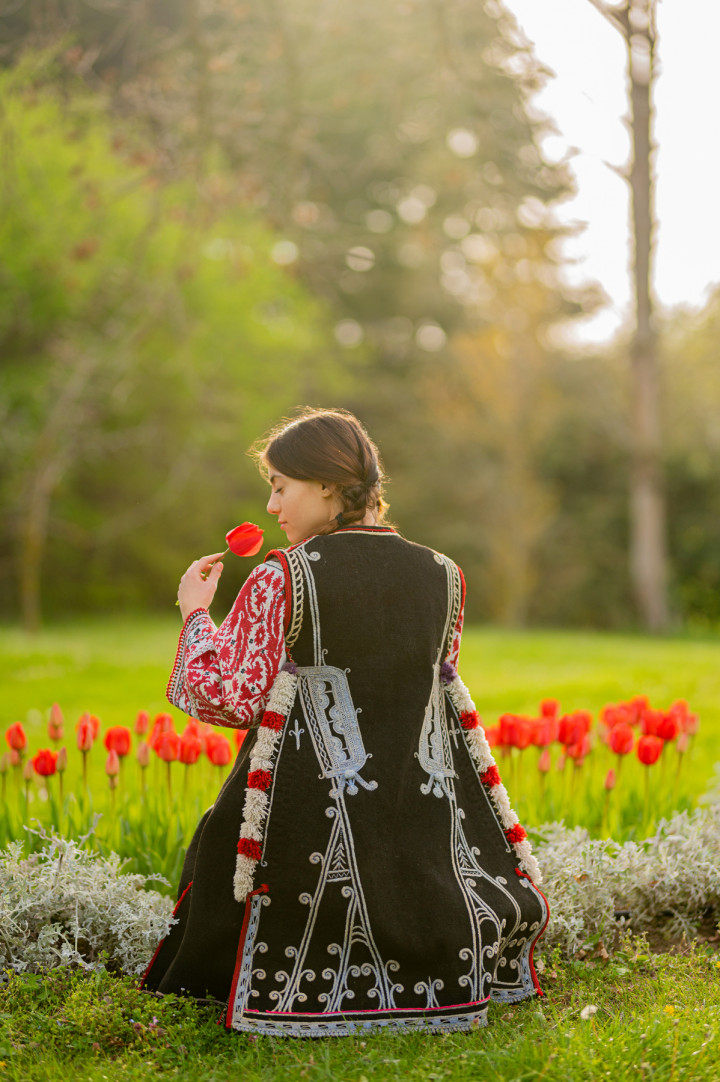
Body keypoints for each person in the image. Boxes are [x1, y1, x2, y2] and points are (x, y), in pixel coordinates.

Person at [142, 408, 549, 1037]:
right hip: (424, 821)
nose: (273, 504)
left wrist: (196, 614)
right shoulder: (444, 574)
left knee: (228, 850)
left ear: (327, 484)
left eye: (281, 485)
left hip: (302, 817)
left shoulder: (285, 575)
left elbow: (228, 697)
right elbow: (430, 690)